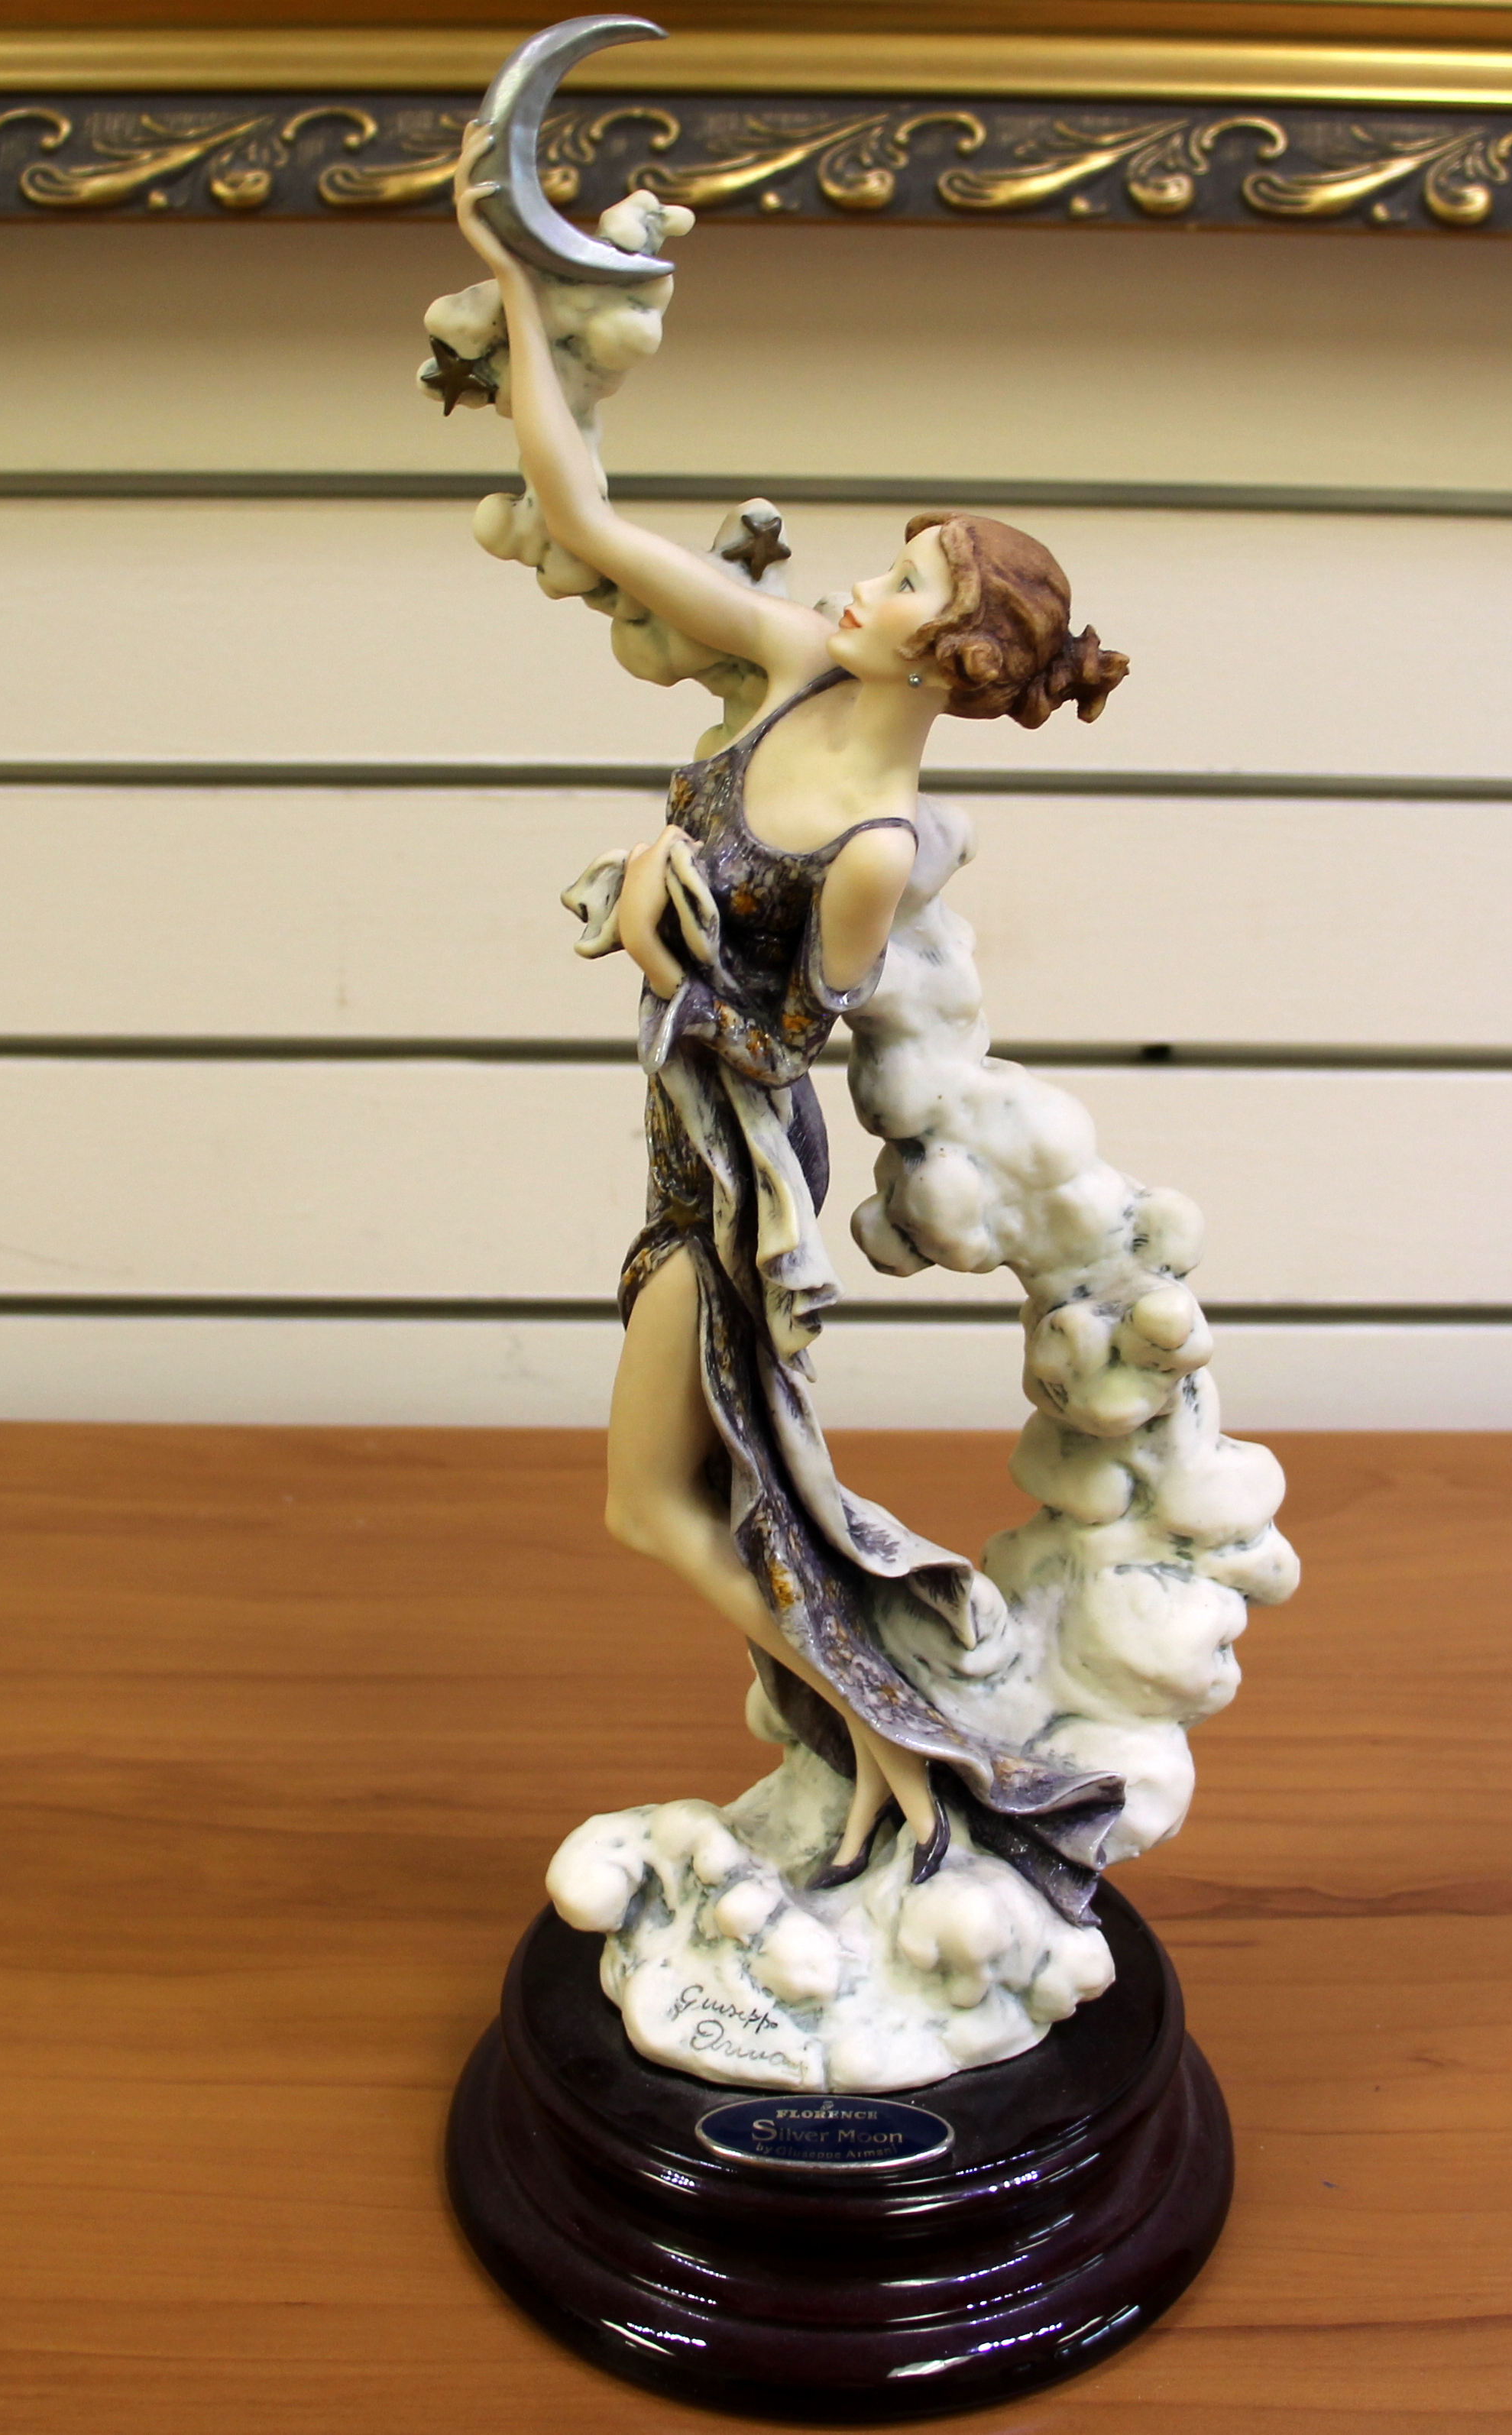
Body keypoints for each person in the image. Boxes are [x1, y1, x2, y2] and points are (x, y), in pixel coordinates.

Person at [453, 134, 1134, 1908]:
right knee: (693, 1499)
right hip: (679, 1149)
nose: (864, 588)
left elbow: (776, 1046)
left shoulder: (874, 849)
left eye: (907, 585)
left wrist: (649, 917)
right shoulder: (798, 670)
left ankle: (898, 1741)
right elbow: (587, 519)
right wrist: (521, 286)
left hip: (735, 1182)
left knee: (660, 1501)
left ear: (952, 658)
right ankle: (881, 1737)